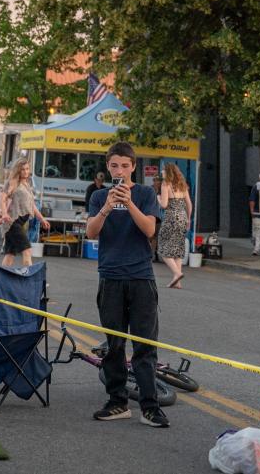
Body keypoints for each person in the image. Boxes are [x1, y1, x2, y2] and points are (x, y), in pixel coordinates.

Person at [84, 142, 167, 428]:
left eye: (125, 165)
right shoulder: (97, 196)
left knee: (144, 344)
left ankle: (150, 405)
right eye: (114, 165)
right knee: (114, 344)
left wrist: (128, 201)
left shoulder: (144, 193)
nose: (119, 170)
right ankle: (118, 401)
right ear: (108, 167)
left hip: (141, 276)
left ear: (133, 167)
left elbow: (150, 229)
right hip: (110, 276)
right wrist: (108, 206)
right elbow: (91, 233)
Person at [0, 156, 48, 267]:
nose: (26, 172)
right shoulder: (13, 182)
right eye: (23, 169)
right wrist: (4, 213)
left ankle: (2, 281)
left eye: (27, 169)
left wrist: (42, 219)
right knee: (27, 250)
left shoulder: (27, 184)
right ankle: (30, 280)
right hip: (12, 222)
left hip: (20, 223)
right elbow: (3, 198)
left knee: (10, 255)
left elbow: (31, 205)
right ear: (18, 170)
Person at [155, 165, 192, 288]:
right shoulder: (182, 184)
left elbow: (165, 205)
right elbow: (189, 204)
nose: (162, 173)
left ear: (168, 172)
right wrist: (189, 219)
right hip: (182, 218)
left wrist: (158, 198)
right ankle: (178, 282)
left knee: (163, 247)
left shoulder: (166, 184)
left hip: (171, 218)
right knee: (177, 248)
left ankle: (177, 273)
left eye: (163, 171)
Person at [249, 175, 260, 256]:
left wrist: (252, 211)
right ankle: (259, 248)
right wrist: (252, 211)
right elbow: (252, 200)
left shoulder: (256, 186)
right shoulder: (257, 186)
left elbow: (252, 200)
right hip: (259, 213)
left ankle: (259, 248)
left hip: (259, 213)